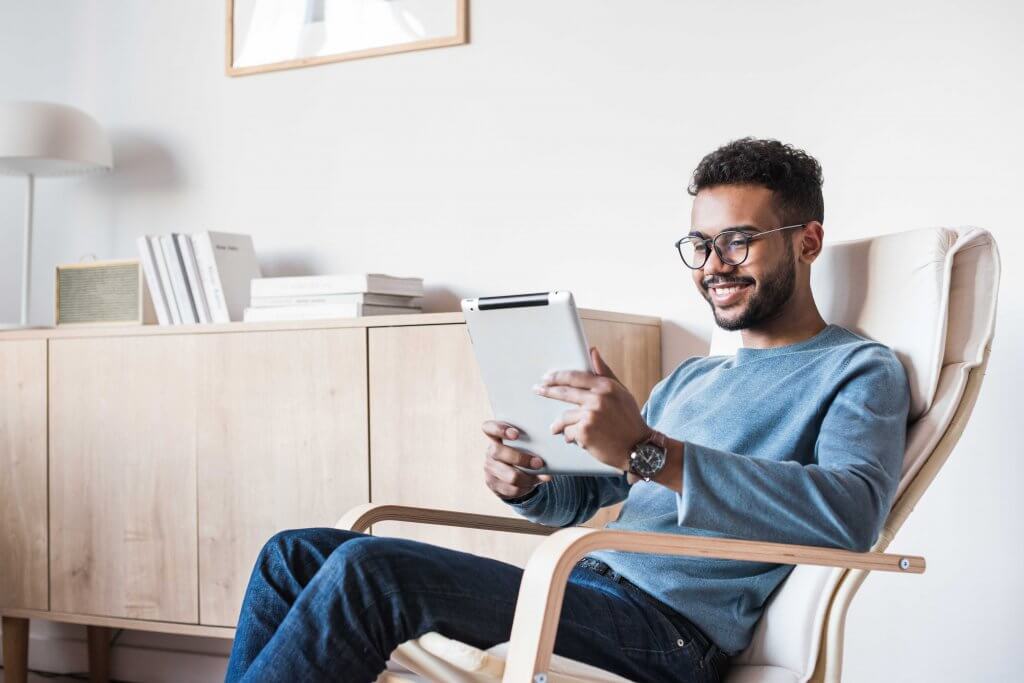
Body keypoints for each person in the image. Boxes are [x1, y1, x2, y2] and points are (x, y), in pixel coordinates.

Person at [224, 138, 910, 683]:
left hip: (668, 635)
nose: (712, 264)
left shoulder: (857, 369)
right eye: (699, 245)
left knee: (369, 574)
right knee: (294, 553)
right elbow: (602, 493)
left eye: (738, 240)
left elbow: (850, 514)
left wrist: (651, 450)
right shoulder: (693, 377)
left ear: (807, 241)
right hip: (581, 583)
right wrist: (531, 482)